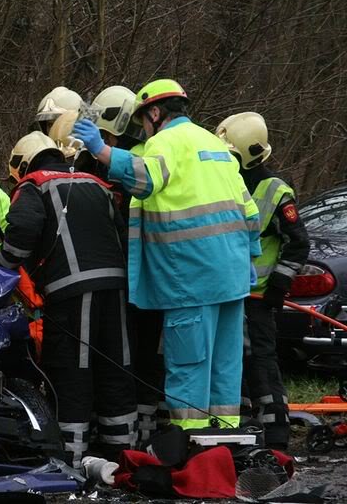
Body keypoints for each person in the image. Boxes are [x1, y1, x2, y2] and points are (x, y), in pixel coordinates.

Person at [73, 79, 261, 431]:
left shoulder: (165, 143)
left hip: (192, 275)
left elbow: (144, 178)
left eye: (144, 121)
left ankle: (191, 442)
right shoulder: (213, 143)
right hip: (232, 275)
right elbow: (248, 209)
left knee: (189, 362)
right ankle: (224, 436)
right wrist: (250, 255)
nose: (144, 130)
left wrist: (101, 151)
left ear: (155, 113)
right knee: (225, 362)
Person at [0, 130, 136, 466]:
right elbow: (122, 231)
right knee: (115, 365)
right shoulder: (96, 183)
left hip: (71, 293)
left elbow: (21, 236)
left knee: (73, 368)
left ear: (24, 164)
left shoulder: (34, 184)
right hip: (118, 286)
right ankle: (123, 451)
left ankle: (70, 458)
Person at [217, 111, 309, 449]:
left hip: (259, 299)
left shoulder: (275, 190)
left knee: (262, 365)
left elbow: (298, 243)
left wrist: (279, 286)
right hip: (229, 294)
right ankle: (240, 434)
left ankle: (276, 438)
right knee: (233, 366)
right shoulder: (226, 182)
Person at [91, 86, 165, 443]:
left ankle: (141, 427)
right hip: (139, 267)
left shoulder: (131, 159)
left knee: (138, 351)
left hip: (136, 267)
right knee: (143, 350)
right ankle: (145, 427)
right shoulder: (126, 155)